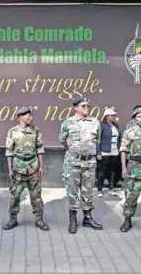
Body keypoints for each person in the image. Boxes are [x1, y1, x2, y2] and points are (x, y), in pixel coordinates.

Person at [59, 96, 103, 234]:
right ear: (76, 107)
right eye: (83, 106)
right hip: (73, 162)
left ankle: (88, 218)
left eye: (87, 106)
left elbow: (97, 140)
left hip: (89, 162)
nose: (86, 108)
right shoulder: (68, 122)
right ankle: (73, 220)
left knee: (88, 191)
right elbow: (63, 140)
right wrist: (74, 150)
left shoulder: (95, 122)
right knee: (72, 192)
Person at [3, 106, 49, 231]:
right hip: (18, 169)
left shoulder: (36, 131)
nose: (31, 117)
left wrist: (41, 166)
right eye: (28, 115)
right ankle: (13, 219)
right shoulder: (12, 132)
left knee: (36, 195)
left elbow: (40, 148)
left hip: (33, 167)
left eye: (31, 115)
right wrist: (10, 170)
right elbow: (9, 151)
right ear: (20, 117)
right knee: (15, 195)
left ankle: (39, 219)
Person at [97, 108, 121, 197]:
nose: (114, 117)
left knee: (112, 171)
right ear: (107, 116)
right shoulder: (102, 126)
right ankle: (100, 189)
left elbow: (119, 138)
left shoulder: (116, 126)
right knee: (102, 171)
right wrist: (98, 152)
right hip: (104, 151)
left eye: (114, 115)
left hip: (114, 151)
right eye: (112, 115)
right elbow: (98, 140)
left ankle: (111, 188)